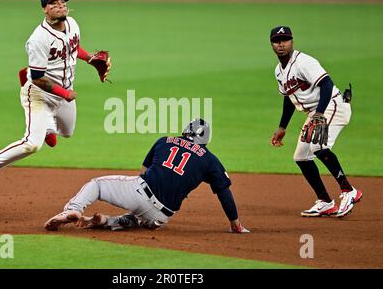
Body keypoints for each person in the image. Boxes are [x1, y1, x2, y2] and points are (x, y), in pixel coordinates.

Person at [0, 0, 110, 187]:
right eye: (54, 3)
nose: (60, 5)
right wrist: (64, 93)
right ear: (44, 9)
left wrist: (90, 59)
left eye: (63, 2)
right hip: (39, 94)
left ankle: (48, 127)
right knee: (32, 144)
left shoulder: (73, 24)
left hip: (64, 93)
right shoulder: (38, 39)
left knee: (67, 132)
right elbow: (38, 79)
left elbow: (72, 47)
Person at [44, 119, 250, 233]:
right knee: (139, 219)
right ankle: (106, 221)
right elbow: (224, 192)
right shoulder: (209, 159)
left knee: (97, 185)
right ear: (205, 141)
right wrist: (235, 224)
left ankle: (72, 210)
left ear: (185, 132)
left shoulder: (165, 140)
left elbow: (143, 170)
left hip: (141, 192)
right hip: (161, 217)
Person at [269, 26, 362, 218]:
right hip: (316, 112)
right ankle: (325, 202)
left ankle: (348, 190)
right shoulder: (279, 71)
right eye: (277, 41)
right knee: (301, 156)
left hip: (332, 105)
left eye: (285, 40)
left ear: (292, 42)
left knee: (318, 146)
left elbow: (326, 83)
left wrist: (319, 114)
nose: (281, 44)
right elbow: (289, 96)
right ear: (272, 44)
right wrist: (282, 127)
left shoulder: (304, 62)